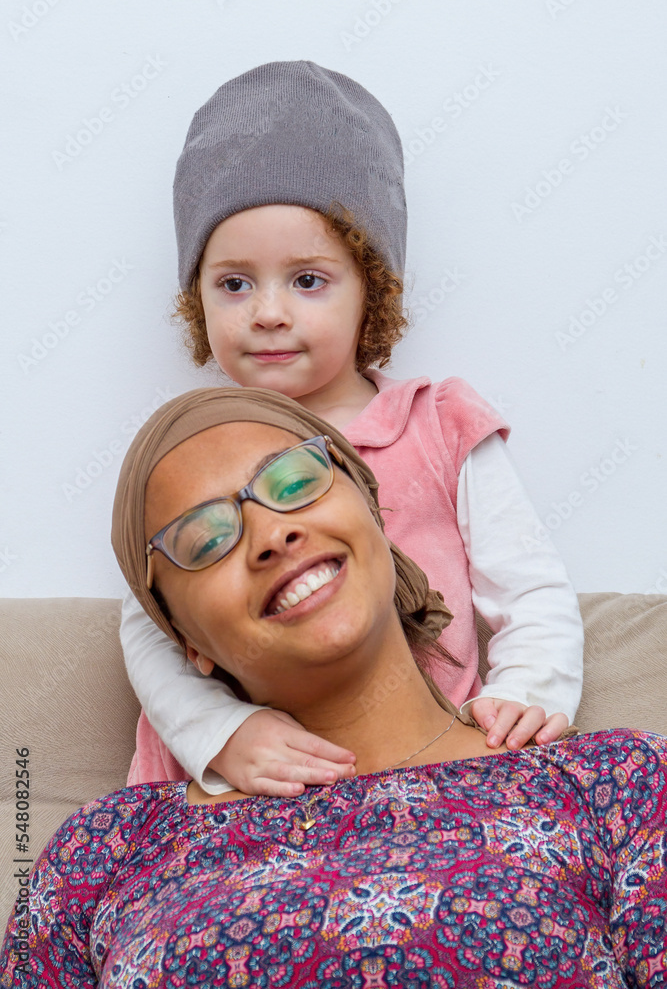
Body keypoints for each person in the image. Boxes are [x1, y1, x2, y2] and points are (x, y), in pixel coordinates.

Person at [2, 387, 664, 988]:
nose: (271, 533)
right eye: (205, 539)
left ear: (371, 510)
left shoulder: (620, 782)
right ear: (186, 643)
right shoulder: (103, 847)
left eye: (294, 483)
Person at [122, 60, 584, 798]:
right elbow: (149, 626)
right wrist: (222, 735)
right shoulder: (185, 462)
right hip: (253, 796)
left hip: (426, 773)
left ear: (370, 287)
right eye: (233, 283)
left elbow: (528, 590)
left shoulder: (439, 425)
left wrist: (526, 695)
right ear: (196, 297)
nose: (267, 312)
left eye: (306, 280)